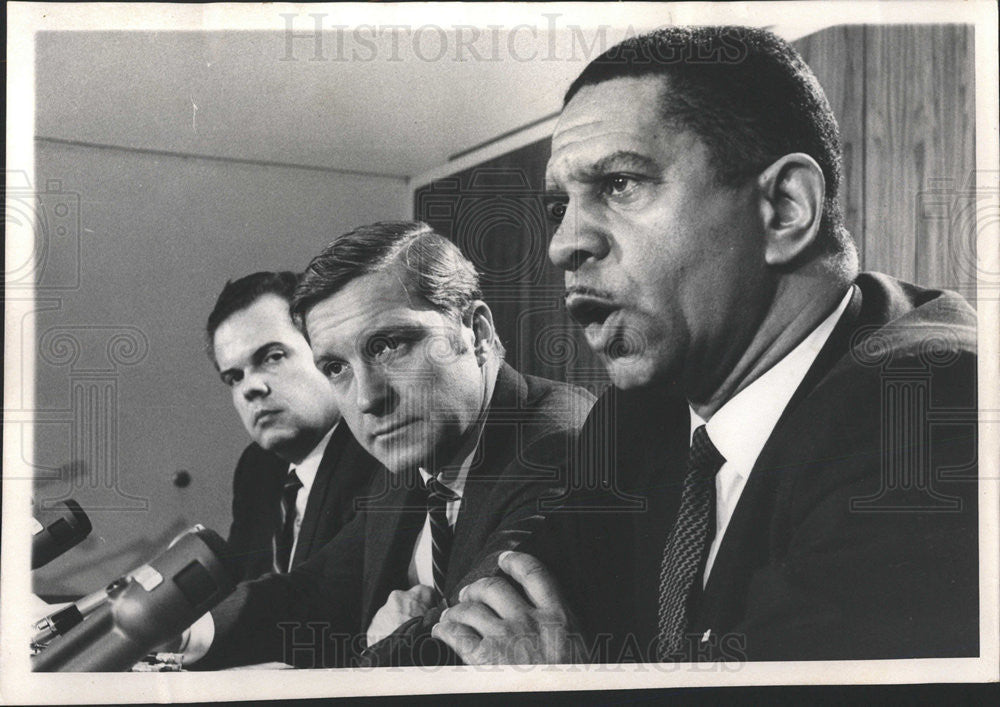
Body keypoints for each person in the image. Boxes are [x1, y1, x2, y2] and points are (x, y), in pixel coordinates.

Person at [434, 26, 978, 663]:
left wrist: (565, 689)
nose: (563, 244)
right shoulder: (641, 412)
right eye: (561, 205)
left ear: (784, 209)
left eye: (620, 184)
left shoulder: (935, 410)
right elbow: (491, 608)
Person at [187, 222, 595, 668]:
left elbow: (469, 629)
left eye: (387, 346)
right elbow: (316, 587)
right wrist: (186, 632)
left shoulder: (560, 441)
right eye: (336, 367)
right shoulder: (413, 459)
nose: (367, 398)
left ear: (476, 333)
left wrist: (369, 651)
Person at [206, 271, 380, 582]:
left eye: (272, 357)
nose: (250, 387)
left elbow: (326, 596)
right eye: (235, 377)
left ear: (325, 352)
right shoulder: (257, 468)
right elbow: (239, 589)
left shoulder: (377, 448)